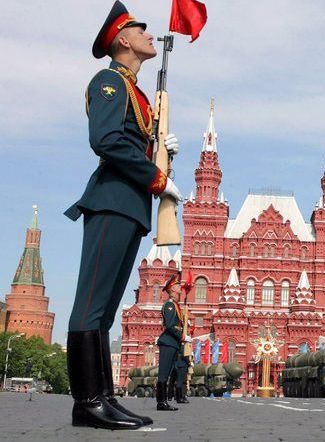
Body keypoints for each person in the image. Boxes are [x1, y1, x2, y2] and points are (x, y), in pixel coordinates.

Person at [64, 0, 182, 430]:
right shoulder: (109, 81)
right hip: (112, 199)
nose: (149, 34)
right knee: (90, 306)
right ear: (122, 40)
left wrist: (160, 154)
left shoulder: (136, 91)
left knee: (106, 311)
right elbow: (107, 141)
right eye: (139, 29)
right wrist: (156, 177)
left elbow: (130, 143)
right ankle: (87, 401)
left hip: (130, 205)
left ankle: (104, 399)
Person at [157, 274, 184, 411]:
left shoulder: (175, 305)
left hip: (173, 343)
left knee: (167, 373)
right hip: (168, 342)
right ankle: (161, 402)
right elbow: (170, 325)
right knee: (163, 373)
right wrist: (182, 335)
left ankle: (162, 401)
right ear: (172, 289)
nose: (180, 287)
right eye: (178, 285)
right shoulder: (169, 305)